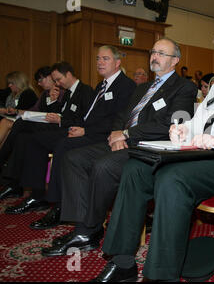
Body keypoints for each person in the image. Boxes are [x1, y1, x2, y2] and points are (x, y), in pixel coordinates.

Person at [90, 25, 214, 282]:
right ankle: (123, 263)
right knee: (135, 168)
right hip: (199, 154)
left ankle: (162, 275)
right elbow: (197, 122)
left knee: (172, 178)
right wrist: (182, 129)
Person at [40, 37, 197, 257]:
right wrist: (116, 133)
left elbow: (171, 124)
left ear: (175, 60)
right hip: (122, 141)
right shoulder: (142, 87)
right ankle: (83, 227)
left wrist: (126, 133)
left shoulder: (184, 87)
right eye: (153, 52)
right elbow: (122, 115)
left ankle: (87, 231)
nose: (154, 56)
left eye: (161, 53)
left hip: (149, 147)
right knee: (73, 157)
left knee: (103, 166)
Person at [16, 46, 136, 228]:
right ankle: (37, 194)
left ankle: (58, 205)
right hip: (87, 129)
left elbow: (118, 119)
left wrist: (85, 131)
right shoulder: (101, 85)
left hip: (103, 135)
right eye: (97, 59)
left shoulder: (126, 86)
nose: (99, 62)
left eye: (105, 59)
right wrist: (79, 126)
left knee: (64, 146)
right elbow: (89, 115)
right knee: (36, 139)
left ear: (117, 62)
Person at [3, 61, 96, 213]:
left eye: (59, 79)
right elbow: (62, 113)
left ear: (69, 75)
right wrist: (56, 111)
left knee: (34, 140)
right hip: (61, 127)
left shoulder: (85, 91)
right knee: (24, 136)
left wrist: (61, 120)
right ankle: (22, 185)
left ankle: (37, 194)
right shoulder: (68, 93)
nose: (57, 83)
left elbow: (85, 119)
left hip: (72, 131)